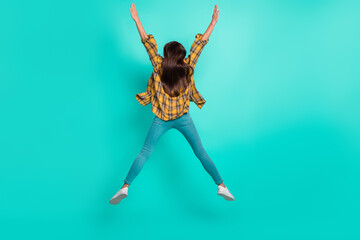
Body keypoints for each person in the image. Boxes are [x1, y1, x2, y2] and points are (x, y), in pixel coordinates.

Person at [110, 4, 234, 205]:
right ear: (182, 56)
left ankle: (125, 186)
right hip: (184, 119)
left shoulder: (158, 65)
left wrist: (136, 20)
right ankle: (221, 185)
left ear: (166, 55)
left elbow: (146, 43)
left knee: (145, 152)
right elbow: (200, 45)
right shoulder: (188, 67)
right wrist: (213, 23)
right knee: (200, 152)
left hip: (161, 120)